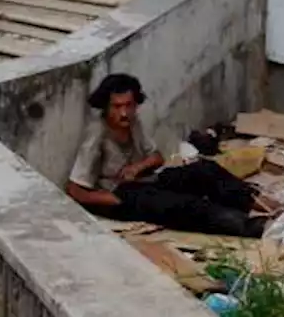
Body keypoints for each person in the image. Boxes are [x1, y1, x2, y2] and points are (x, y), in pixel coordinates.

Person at [65, 73, 267, 238]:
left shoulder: (133, 123)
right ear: (106, 107)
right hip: (122, 194)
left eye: (129, 105)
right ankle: (251, 226)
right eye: (117, 107)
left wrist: (137, 167)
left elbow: (157, 157)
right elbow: (75, 190)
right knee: (185, 205)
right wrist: (116, 201)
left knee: (205, 170)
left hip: (146, 180)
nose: (124, 113)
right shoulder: (96, 137)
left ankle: (261, 204)